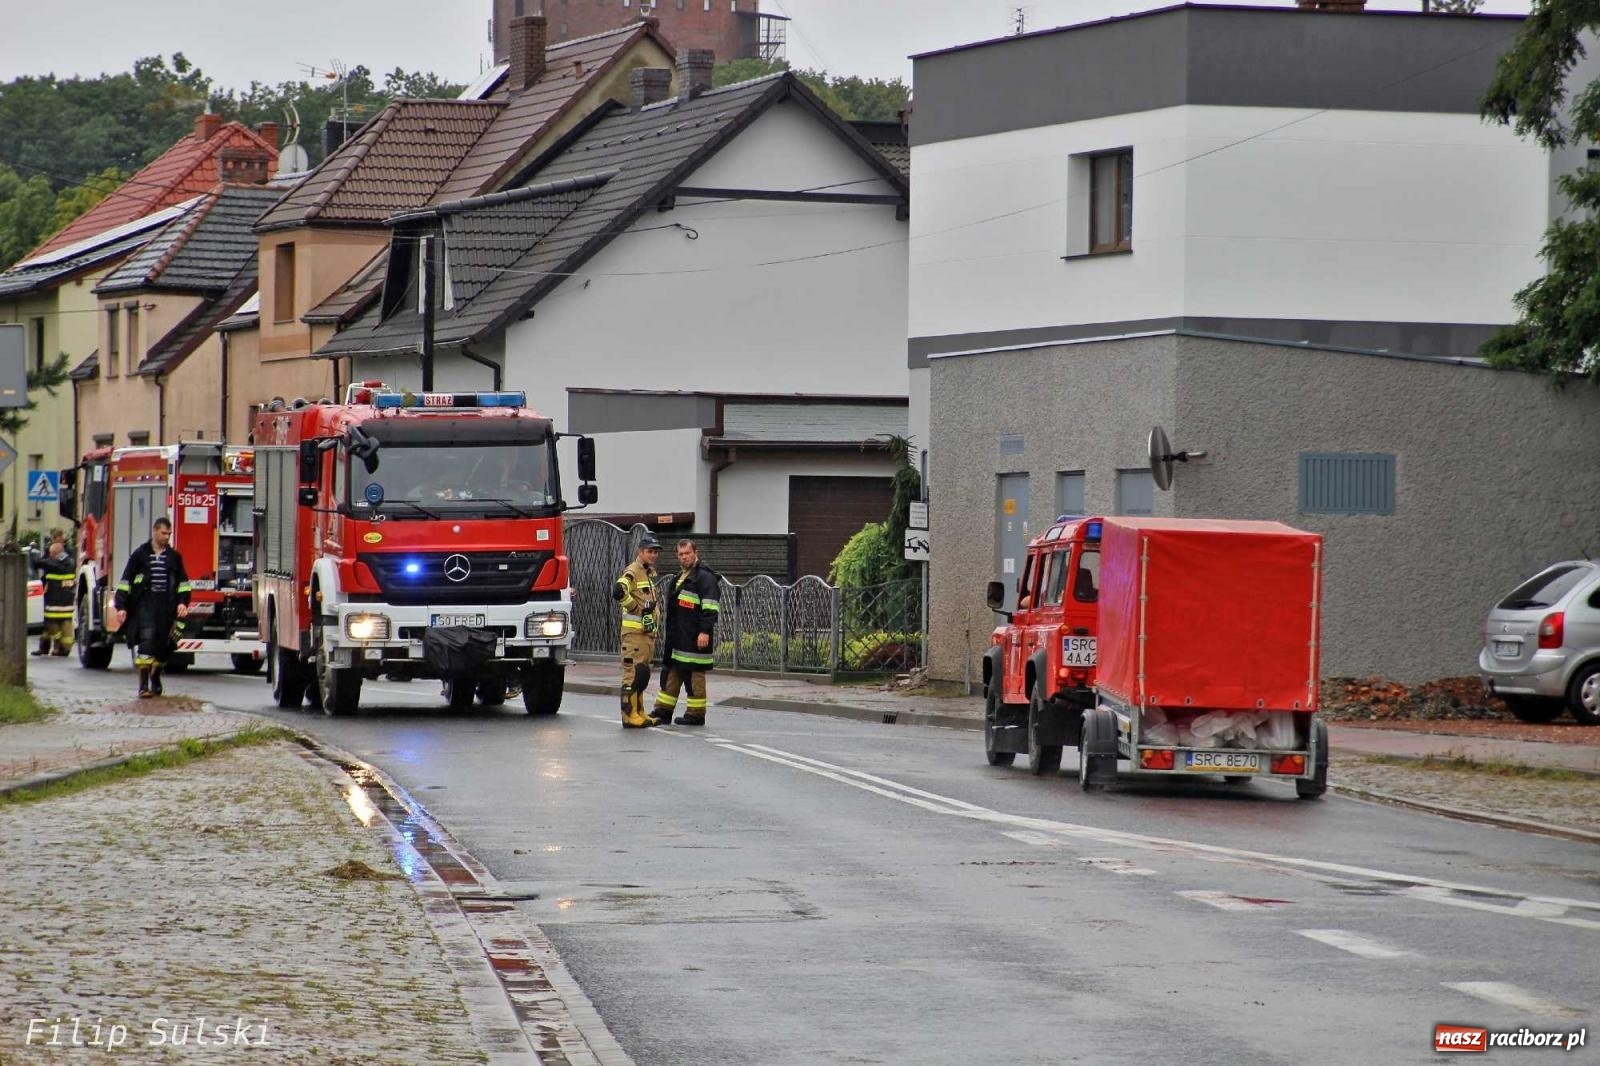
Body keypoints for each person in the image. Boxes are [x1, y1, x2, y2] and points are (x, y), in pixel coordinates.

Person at [113, 517, 191, 698]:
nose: (167, 537)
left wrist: (182, 602)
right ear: (155, 531)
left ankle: (155, 675)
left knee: (165, 644)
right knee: (146, 641)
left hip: (166, 605)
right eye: (164, 533)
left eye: (169, 534)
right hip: (145, 603)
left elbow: (183, 583)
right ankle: (143, 685)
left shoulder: (174, 557)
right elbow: (125, 581)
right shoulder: (140, 555)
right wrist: (122, 606)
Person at [651, 538, 720, 726]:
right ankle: (662, 711)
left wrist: (705, 631)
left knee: (695, 675)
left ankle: (696, 714)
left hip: (695, 637)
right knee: (672, 673)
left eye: (687, 553)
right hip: (679, 638)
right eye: (681, 554)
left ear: (695, 552)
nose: (684, 557)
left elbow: (711, 607)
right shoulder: (679, 577)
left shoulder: (705, 577)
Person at [612, 533, 662, 729]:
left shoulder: (647, 573)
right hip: (634, 636)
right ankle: (629, 715)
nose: (654, 555)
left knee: (641, 675)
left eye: (656, 552)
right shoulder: (633, 571)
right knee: (632, 675)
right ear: (640, 552)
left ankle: (639, 712)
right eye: (650, 551)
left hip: (645, 635)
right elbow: (618, 591)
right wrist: (636, 609)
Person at [35, 532, 75, 657]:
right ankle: (47, 647)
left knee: (52, 624)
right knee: (50, 627)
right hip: (61, 601)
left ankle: (61, 646)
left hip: (57, 603)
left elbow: (41, 563)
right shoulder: (67, 561)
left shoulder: (62, 563)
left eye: (52, 554)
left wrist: (42, 556)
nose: (50, 556)